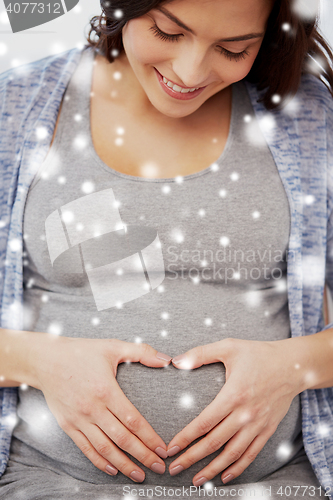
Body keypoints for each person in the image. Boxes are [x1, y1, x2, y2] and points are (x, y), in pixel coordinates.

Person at [0, 0, 333, 498]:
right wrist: (37, 361)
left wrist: (293, 367)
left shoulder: (308, 117)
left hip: (280, 485)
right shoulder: (16, 105)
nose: (189, 71)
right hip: (48, 482)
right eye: (167, 32)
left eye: (233, 48)